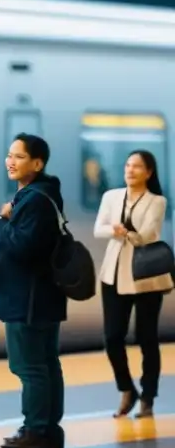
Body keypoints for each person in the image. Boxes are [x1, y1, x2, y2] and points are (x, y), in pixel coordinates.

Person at [0, 134, 67, 448]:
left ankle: (36, 429)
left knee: (28, 365)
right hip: (42, 295)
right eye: (9, 155)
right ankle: (48, 427)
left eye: (19, 157)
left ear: (37, 163)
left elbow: (21, 246)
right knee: (47, 362)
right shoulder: (44, 195)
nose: (11, 161)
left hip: (28, 298)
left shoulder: (34, 199)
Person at [93, 150, 170, 418]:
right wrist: (117, 231)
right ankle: (127, 388)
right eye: (127, 165)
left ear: (149, 172)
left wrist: (123, 232)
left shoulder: (157, 201)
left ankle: (148, 396)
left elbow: (148, 235)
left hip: (146, 277)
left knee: (146, 338)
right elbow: (98, 229)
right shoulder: (111, 196)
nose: (130, 170)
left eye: (137, 167)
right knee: (113, 337)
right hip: (113, 275)